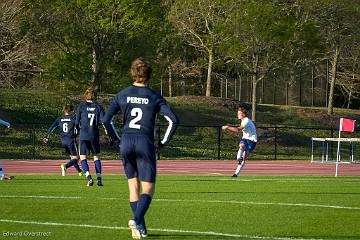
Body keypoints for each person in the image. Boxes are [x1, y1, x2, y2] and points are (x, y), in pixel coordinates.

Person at [103, 57, 178, 239]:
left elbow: (106, 120)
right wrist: (162, 143)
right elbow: (174, 120)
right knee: (148, 189)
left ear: (132, 73)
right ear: (149, 75)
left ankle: (141, 228)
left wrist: (116, 139)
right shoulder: (154, 96)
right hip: (145, 142)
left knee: (132, 186)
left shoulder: (122, 94)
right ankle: (136, 219)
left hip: (126, 142)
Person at [75, 87, 105, 187]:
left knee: (83, 157)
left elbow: (76, 122)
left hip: (83, 135)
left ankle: (89, 178)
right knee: (96, 157)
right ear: (95, 96)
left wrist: (78, 131)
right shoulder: (98, 107)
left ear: (85, 95)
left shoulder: (81, 107)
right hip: (94, 135)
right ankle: (99, 179)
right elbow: (104, 120)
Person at [43, 104, 82, 176]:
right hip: (71, 140)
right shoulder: (74, 118)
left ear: (64, 110)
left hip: (63, 141)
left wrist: (46, 136)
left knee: (72, 157)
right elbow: (79, 127)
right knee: (76, 158)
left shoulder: (59, 119)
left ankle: (79, 171)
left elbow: (52, 127)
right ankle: (65, 166)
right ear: (72, 110)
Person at [222, 107, 257, 177]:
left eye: (239, 114)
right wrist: (230, 126)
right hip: (245, 138)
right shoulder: (243, 120)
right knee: (241, 146)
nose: (238, 115)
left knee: (244, 157)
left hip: (252, 140)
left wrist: (227, 127)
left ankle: (236, 173)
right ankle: (238, 158)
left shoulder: (246, 121)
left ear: (243, 114)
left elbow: (238, 130)